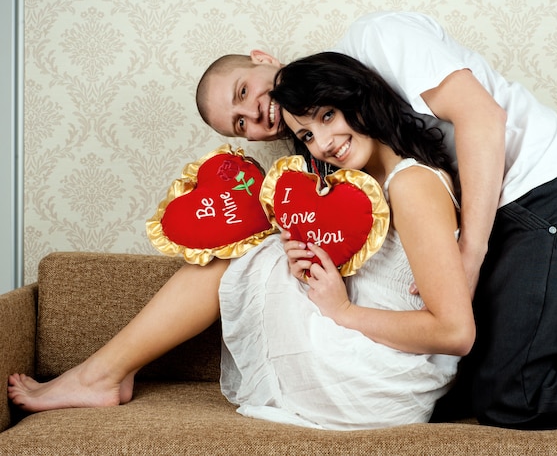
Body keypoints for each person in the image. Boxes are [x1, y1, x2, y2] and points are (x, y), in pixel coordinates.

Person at [195, 11, 557, 429]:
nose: (256, 113)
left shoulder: (377, 38)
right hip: (495, 214)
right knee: (483, 384)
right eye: (239, 124)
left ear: (264, 59)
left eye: (243, 92)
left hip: (546, 194)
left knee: (517, 395)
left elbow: (482, 115)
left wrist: (468, 258)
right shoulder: (342, 164)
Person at [8, 51, 474, 430]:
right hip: (378, 369)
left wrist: (342, 310)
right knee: (267, 244)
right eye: (307, 134)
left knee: (249, 246)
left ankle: (102, 374)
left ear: (359, 95)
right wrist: (308, 270)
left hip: (380, 385)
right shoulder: (357, 182)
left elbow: (455, 333)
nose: (325, 141)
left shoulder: (410, 185)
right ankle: (104, 373)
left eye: (329, 115)